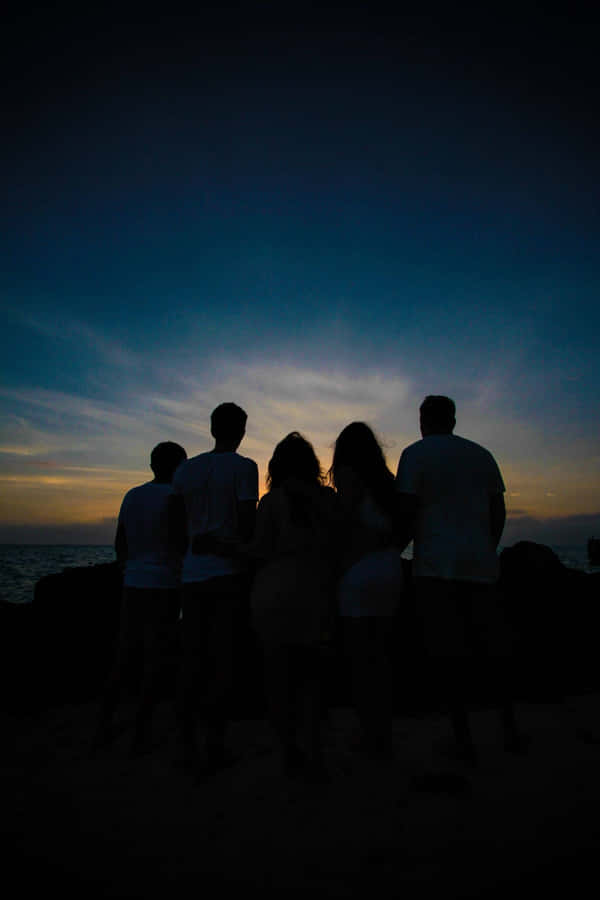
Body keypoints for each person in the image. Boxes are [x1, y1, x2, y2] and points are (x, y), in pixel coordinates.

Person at [395, 395, 521, 765]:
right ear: (452, 419)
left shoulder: (415, 454)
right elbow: (498, 510)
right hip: (480, 565)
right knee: (492, 648)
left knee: (447, 651)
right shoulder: (481, 455)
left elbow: (407, 509)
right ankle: (509, 727)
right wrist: (487, 547)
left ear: (423, 420)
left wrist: (392, 550)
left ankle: (463, 737)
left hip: (435, 566)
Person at [169, 402, 258, 772]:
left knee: (192, 658)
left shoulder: (185, 470)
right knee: (222, 660)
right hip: (227, 574)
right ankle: (215, 743)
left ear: (210, 428)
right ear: (241, 430)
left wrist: (189, 554)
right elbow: (247, 525)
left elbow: (175, 526)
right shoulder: (244, 467)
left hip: (191, 574)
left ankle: (187, 743)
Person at [249, 432, 340, 781]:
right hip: (316, 593)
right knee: (313, 680)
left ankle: (289, 751)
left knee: (279, 680)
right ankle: (315, 749)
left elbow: (260, 550)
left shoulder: (271, 503)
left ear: (277, 466)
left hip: (273, 592)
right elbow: (336, 544)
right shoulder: (328, 499)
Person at [93, 441, 187, 755]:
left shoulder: (132, 495)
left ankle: (104, 725)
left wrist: (127, 568)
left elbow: (120, 541)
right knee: (154, 657)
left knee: (124, 653)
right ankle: (141, 731)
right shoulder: (177, 497)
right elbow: (178, 542)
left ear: (151, 465)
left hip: (133, 581)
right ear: (181, 467)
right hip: (164, 584)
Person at [330, 422, 405, 760]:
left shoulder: (348, 475)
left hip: (358, 572)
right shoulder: (389, 483)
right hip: (390, 569)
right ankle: (384, 733)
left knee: (361, 661)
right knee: (382, 656)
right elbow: (402, 529)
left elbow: (343, 526)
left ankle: (368, 734)